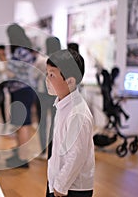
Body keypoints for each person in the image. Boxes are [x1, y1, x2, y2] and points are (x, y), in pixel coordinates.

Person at [45, 49, 95, 197]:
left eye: (52, 75)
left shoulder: (78, 113)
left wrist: (60, 185)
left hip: (71, 188)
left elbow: (76, 155)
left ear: (70, 80)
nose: (47, 79)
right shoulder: (62, 104)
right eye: (47, 74)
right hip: (58, 182)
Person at [5, 23, 37, 168]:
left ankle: (23, 158)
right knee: (22, 124)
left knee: (22, 124)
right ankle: (20, 155)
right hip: (24, 90)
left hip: (21, 90)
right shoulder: (26, 51)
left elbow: (13, 72)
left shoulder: (19, 52)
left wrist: (3, 67)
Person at [33, 36, 61, 159]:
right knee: (56, 122)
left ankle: (44, 151)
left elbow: (33, 75)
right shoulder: (61, 60)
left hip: (43, 94)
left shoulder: (41, 60)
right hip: (57, 93)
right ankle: (53, 152)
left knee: (42, 122)